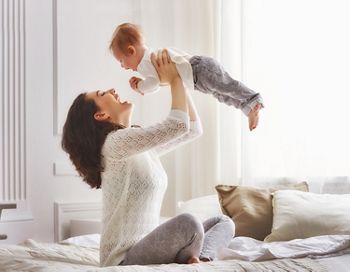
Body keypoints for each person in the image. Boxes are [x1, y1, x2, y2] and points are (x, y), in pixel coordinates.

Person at [61, 50, 234, 267]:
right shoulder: (114, 144)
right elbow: (178, 125)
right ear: (101, 115)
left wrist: (178, 76)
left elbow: (192, 129)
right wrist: (173, 80)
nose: (113, 90)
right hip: (124, 259)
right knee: (188, 222)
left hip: (149, 248)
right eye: (103, 93)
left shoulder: (137, 147)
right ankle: (190, 257)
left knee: (223, 222)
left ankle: (200, 260)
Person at [109, 23, 264, 131]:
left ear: (131, 51)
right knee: (222, 94)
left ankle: (253, 99)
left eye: (121, 61)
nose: (123, 66)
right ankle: (248, 108)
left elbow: (154, 83)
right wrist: (145, 84)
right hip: (197, 80)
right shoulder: (148, 61)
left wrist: (139, 86)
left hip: (200, 69)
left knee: (227, 87)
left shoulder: (146, 62)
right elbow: (158, 83)